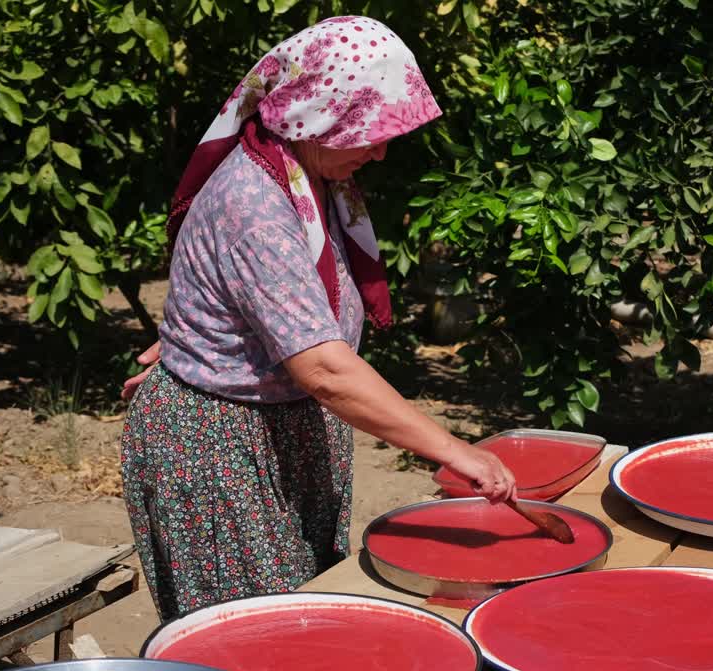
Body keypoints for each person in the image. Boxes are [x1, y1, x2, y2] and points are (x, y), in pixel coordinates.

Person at [119, 16, 515, 620]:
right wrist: (453, 449)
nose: (381, 151)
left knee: (300, 617)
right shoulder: (256, 204)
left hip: (281, 431)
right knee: (257, 638)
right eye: (369, 134)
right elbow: (325, 369)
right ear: (317, 116)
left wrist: (194, 338)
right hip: (221, 448)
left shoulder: (308, 178)